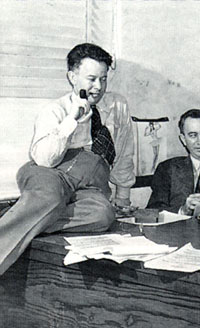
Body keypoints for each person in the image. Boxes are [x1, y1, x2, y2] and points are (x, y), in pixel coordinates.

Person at [0, 43, 134, 276]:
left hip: (92, 181)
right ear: (72, 77)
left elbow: (125, 151)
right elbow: (44, 159)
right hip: (51, 172)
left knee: (103, 215)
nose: (98, 87)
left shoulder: (117, 105)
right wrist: (72, 121)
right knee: (50, 198)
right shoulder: (55, 110)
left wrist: (123, 196)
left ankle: (23, 216)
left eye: (103, 79)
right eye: (91, 79)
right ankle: (30, 215)